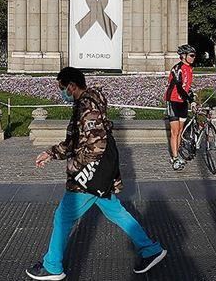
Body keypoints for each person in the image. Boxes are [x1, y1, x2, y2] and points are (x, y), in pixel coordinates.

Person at [28, 67, 167, 280]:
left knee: (63, 216)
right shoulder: (87, 102)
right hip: (99, 172)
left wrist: (79, 169)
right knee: (115, 211)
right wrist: (50, 153)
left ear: (72, 86)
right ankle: (150, 250)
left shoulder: (87, 106)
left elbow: (96, 145)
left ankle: (52, 266)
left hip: (89, 173)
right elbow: (76, 141)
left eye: (62, 88)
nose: (62, 92)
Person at [165, 44, 195, 171]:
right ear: (183, 56)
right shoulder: (177, 68)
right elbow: (179, 87)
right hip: (173, 100)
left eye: (194, 55)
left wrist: (191, 96)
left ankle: (176, 155)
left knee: (180, 130)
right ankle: (175, 158)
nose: (193, 58)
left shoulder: (190, 68)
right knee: (175, 131)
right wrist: (190, 100)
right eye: (191, 55)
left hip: (182, 102)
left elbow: (187, 87)